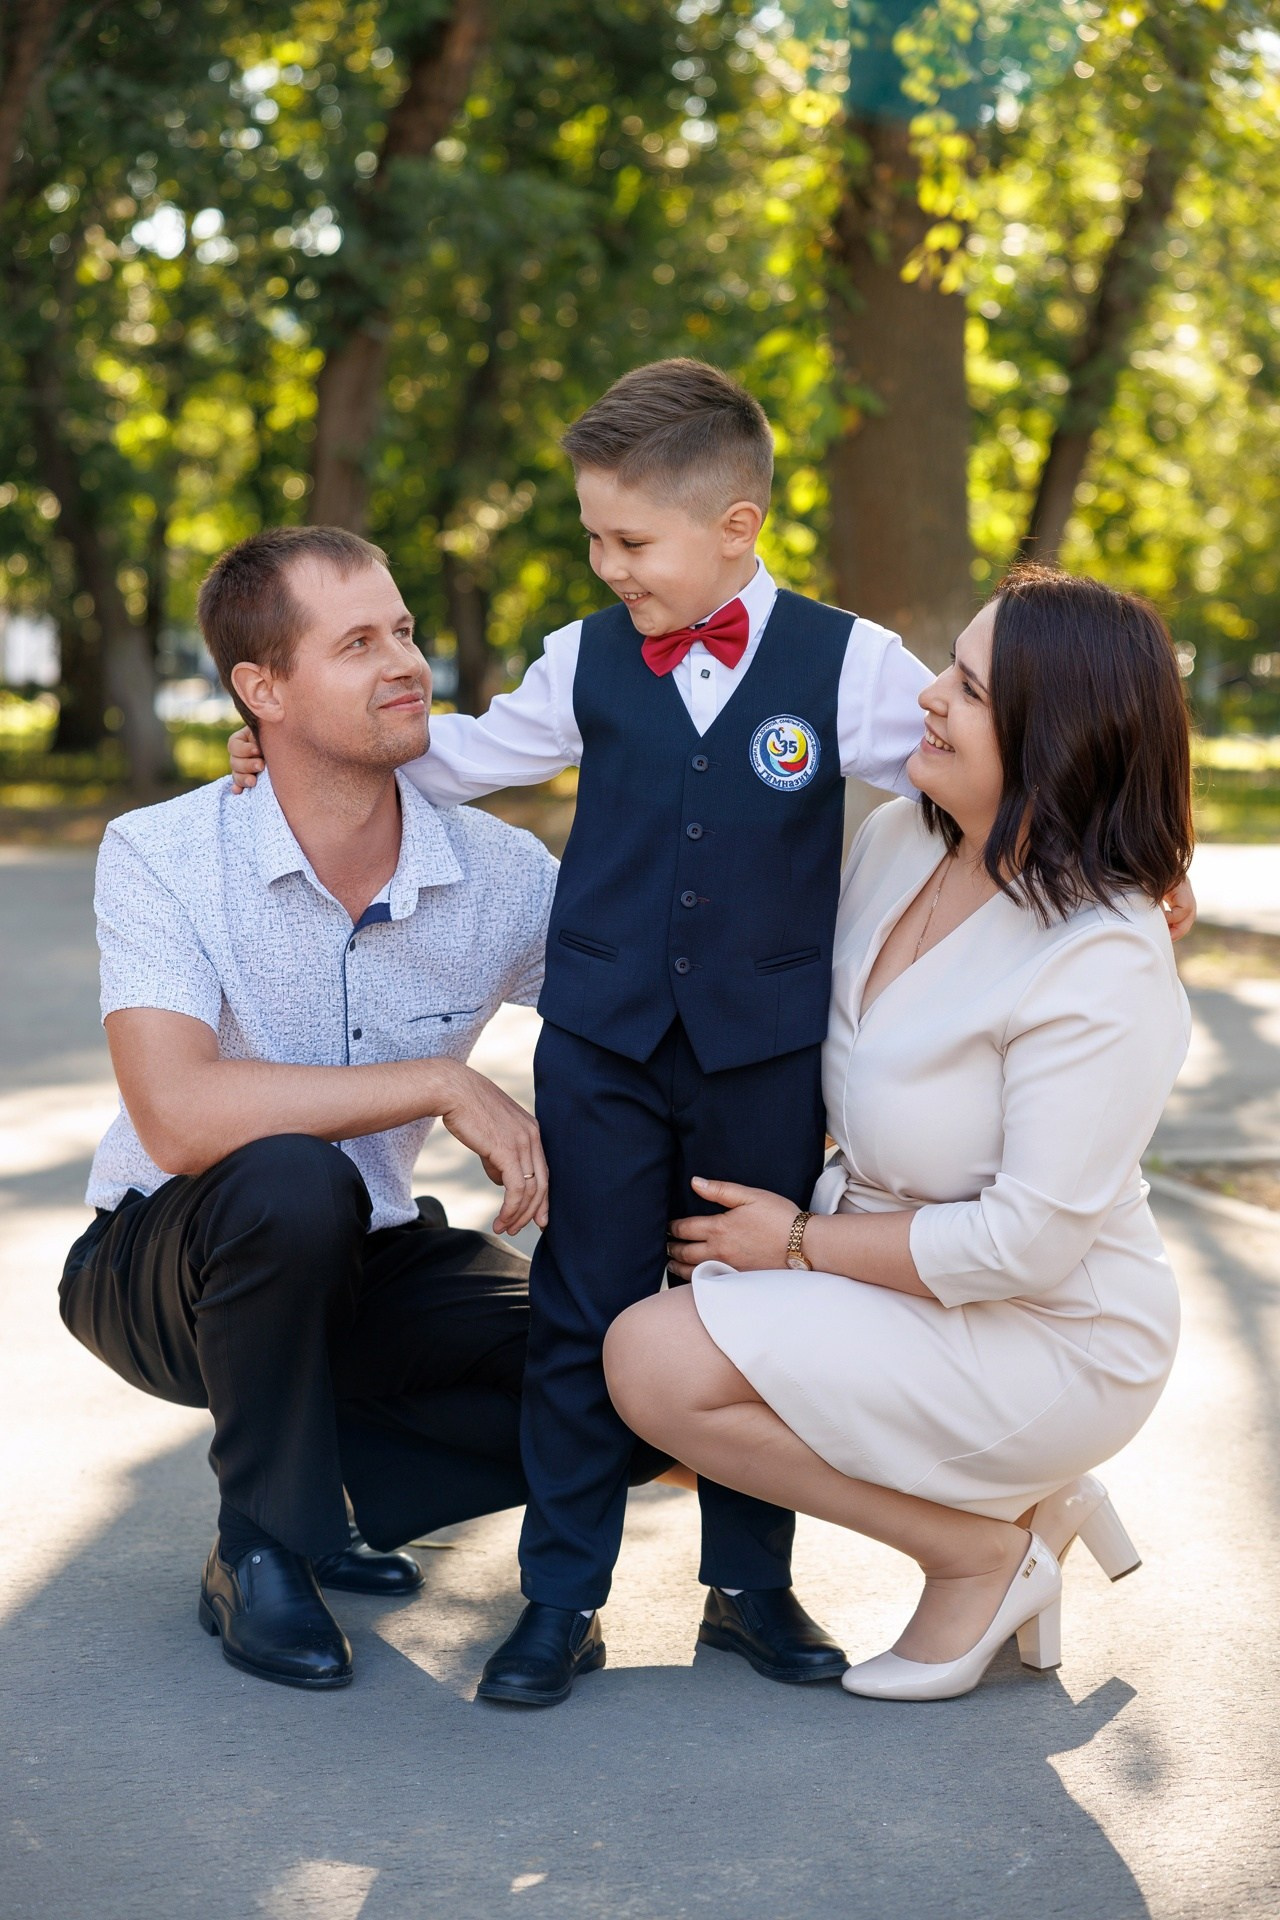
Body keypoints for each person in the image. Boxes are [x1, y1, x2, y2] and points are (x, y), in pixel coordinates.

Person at [231, 358, 938, 1703]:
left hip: (764, 1055)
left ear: (735, 526)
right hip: (603, 1046)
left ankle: (749, 1586)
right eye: (593, 538)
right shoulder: (584, 656)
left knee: (758, 1315)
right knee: (580, 1312)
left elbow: (976, 775)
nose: (606, 566)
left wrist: (1124, 863)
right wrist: (304, 744)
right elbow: (453, 759)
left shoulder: (850, 665)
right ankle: (561, 1597)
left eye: (629, 541)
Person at [603, 565, 1194, 1703]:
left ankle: (975, 1550)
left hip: (1048, 1331)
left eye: (968, 688)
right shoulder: (897, 842)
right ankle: (1012, 1499)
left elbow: (1024, 1245)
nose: (927, 694)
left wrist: (791, 1245)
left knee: (654, 1362)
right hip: (887, 1270)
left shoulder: (1104, 958)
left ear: (1057, 738)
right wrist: (297, 773)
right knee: (587, 1322)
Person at [59, 525, 559, 1693]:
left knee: (616, 1369)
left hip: (369, 1258)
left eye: (405, 631)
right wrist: (440, 1081)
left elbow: (638, 1024)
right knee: (292, 1176)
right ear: (263, 690)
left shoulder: (502, 874)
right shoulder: (163, 853)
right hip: (166, 1262)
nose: (406, 663)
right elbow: (178, 1117)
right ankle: (261, 1550)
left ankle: (315, 1488)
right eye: (357, 643)